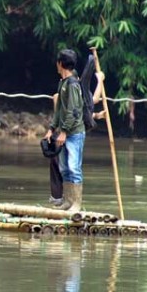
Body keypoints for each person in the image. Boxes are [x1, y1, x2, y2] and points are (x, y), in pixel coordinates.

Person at [47, 72, 106, 207]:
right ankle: (64, 200)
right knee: (64, 168)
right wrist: (100, 80)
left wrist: (96, 115)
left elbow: (82, 111)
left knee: (67, 168)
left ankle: (68, 201)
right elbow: (90, 103)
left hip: (65, 136)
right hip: (62, 136)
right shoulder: (64, 95)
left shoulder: (69, 94)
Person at [44, 49, 86, 212]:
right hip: (63, 132)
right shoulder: (62, 83)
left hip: (73, 133)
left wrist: (64, 132)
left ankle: (76, 203)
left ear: (60, 64)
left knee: (74, 167)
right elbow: (60, 110)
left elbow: (74, 111)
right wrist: (51, 129)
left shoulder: (73, 84)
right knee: (64, 167)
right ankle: (67, 201)